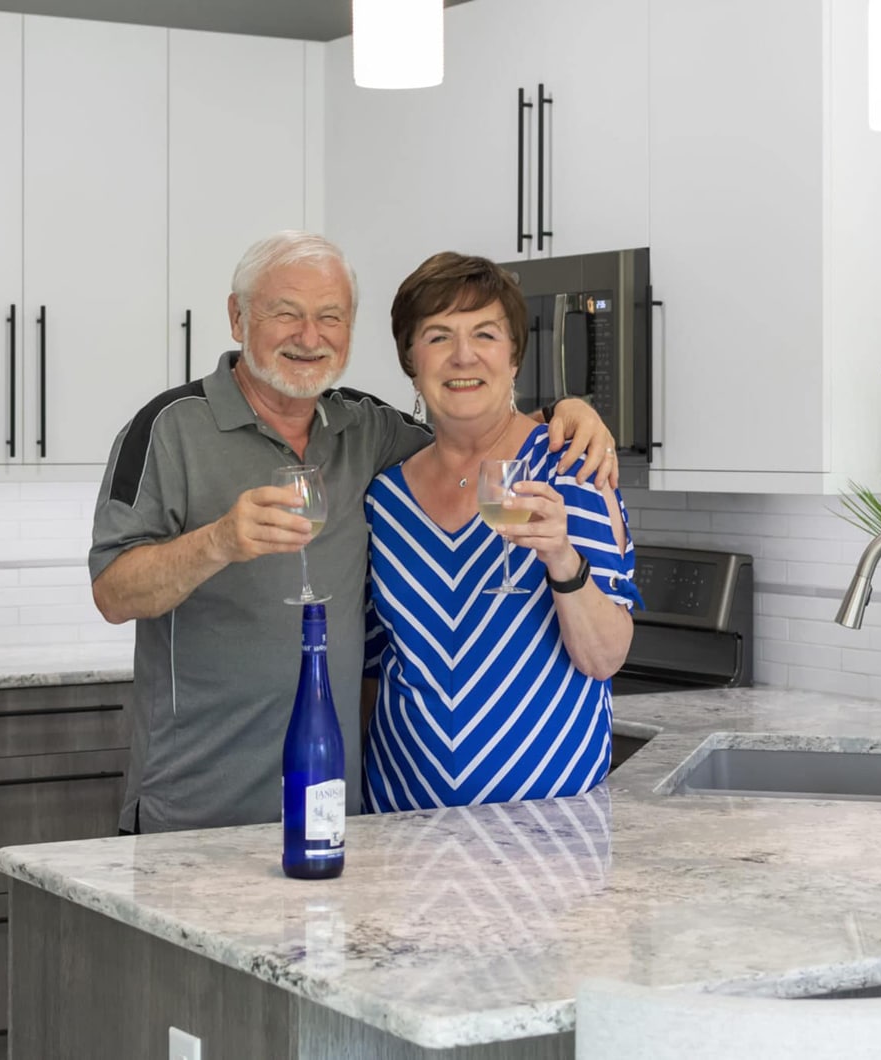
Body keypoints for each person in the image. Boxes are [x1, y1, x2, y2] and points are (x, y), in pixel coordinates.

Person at [89, 231, 618, 834]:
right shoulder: (166, 429)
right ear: (238, 318)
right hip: (197, 810)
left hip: (339, 816)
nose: (309, 337)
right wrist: (219, 543)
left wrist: (566, 413)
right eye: (285, 313)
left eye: (329, 317)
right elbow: (112, 592)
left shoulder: (367, 431)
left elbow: (472, 429)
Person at [362, 252, 640, 813]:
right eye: (438, 336)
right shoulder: (382, 499)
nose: (464, 355)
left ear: (513, 356)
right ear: (410, 360)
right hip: (398, 828)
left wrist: (562, 559)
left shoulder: (572, 467)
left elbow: (604, 659)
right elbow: (371, 668)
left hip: (549, 833)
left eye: (485, 334)